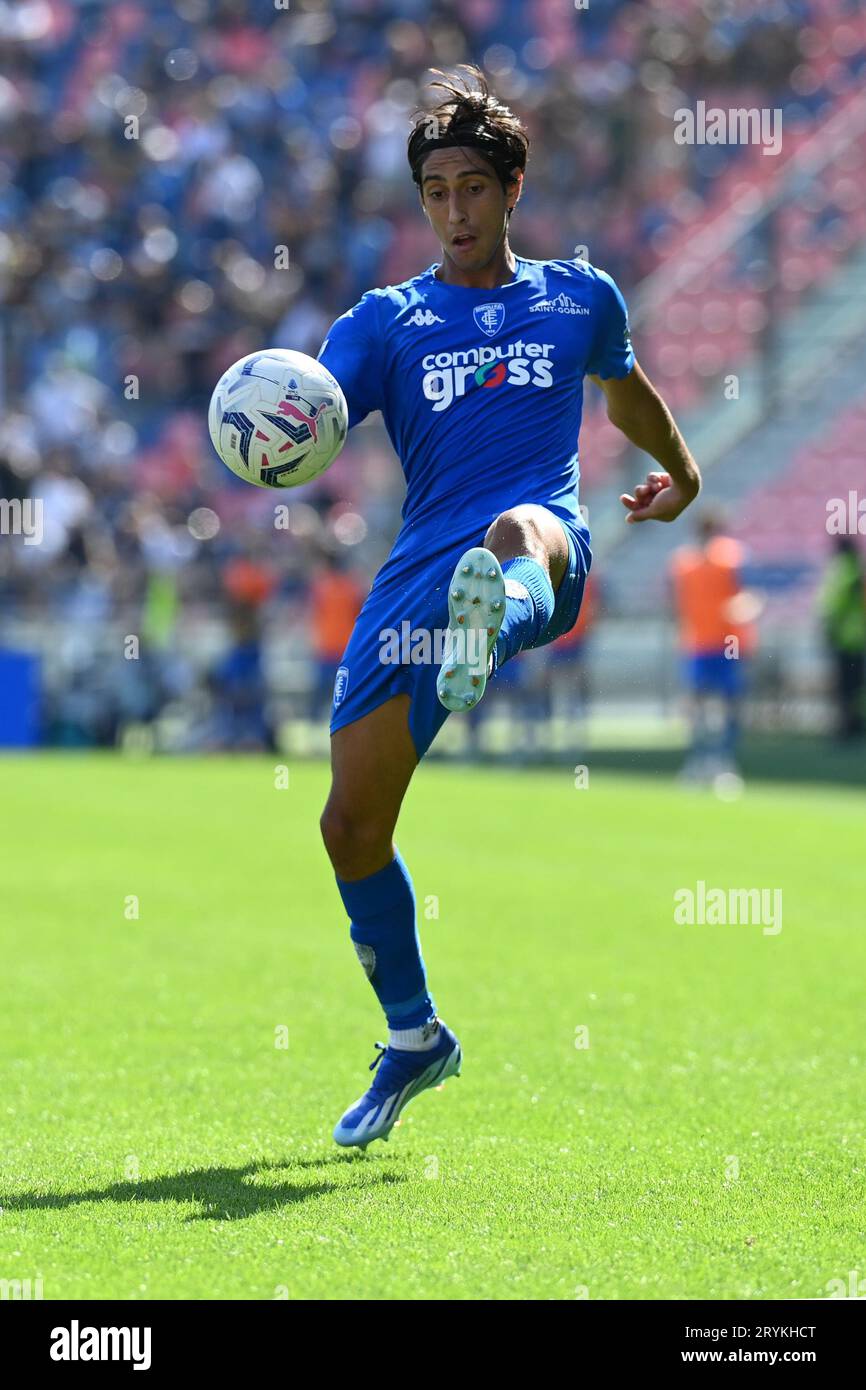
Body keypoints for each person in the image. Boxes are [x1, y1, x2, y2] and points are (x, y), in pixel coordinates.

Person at [314, 67, 701, 1149]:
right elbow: (326, 401)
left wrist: (681, 472)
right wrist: (285, 422)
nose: (454, 211)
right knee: (349, 826)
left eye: (473, 188)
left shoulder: (578, 297)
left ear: (512, 188)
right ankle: (412, 1039)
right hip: (411, 588)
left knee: (516, 532)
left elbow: (620, 386)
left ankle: (495, 612)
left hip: (543, 548)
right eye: (435, 191)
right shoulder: (386, 321)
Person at [669, 510, 758, 781]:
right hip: (700, 642)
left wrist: (744, 609)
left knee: (725, 703)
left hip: (724, 642)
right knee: (701, 704)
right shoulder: (684, 562)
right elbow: (676, 603)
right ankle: (703, 759)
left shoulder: (730, 558)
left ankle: (722, 761)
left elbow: (748, 596)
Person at [818, 536, 866, 740]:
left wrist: (828, 628)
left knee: (846, 688)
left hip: (845, 638)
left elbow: (832, 605)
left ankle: (847, 727)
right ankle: (855, 725)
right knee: (855, 687)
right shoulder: (854, 569)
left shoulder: (842, 570)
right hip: (856, 638)